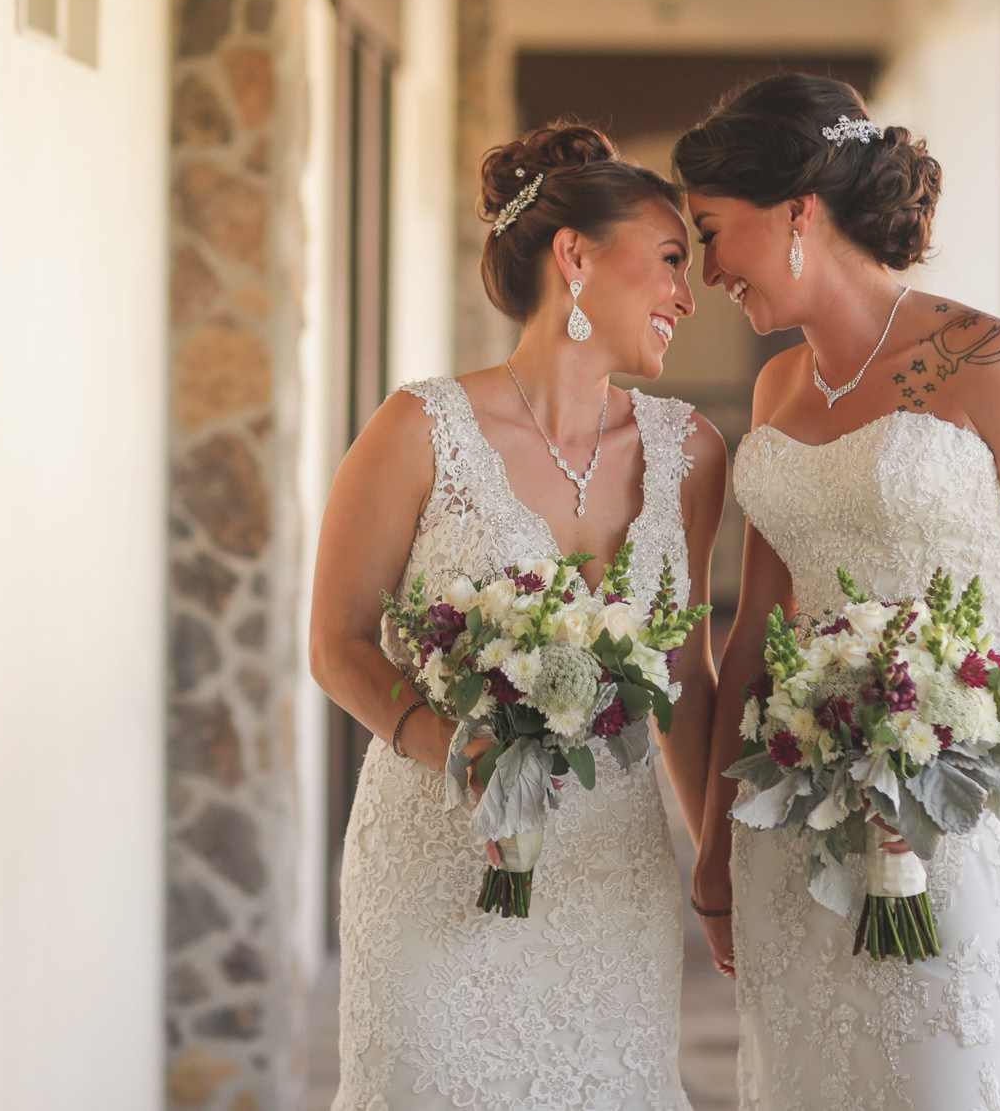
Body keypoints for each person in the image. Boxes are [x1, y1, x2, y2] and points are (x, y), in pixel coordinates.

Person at [680, 75, 1000, 1110]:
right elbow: (755, 634)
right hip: (792, 808)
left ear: (795, 212)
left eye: (711, 233)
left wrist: (995, 762)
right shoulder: (776, 388)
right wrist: (713, 844)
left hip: (955, 808)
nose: (704, 273)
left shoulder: (983, 361)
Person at [310, 122, 724, 1110]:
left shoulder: (693, 452)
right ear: (574, 258)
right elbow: (335, 644)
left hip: (606, 883)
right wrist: (457, 748)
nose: (686, 291)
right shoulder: (417, 429)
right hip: (434, 866)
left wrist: (712, 858)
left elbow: (687, 677)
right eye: (668, 259)